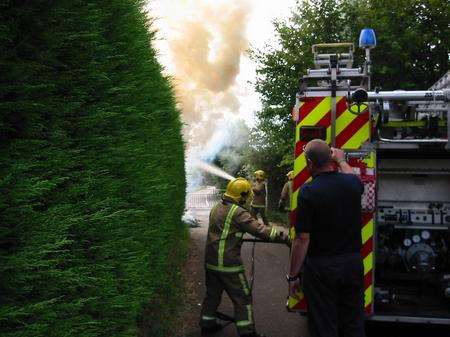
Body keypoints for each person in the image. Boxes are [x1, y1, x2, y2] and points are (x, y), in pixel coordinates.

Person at [287, 139, 365, 337]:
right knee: (353, 324)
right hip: (352, 265)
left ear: (310, 163)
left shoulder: (309, 191)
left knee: (324, 325)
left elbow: (302, 239)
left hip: (322, 269)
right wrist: (341, 160)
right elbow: (354, 178)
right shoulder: (352, 184)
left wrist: (294, 275)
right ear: (330, 158)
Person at [200, 177, 288, 337]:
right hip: (229, 265)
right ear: (242, 195)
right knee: (242, 298)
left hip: (211, 262)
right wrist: (283, 236)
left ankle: (207, 323)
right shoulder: (238, 212)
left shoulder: (216, 207)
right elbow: (260, 230)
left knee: (212, 295)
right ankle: (247, 332)